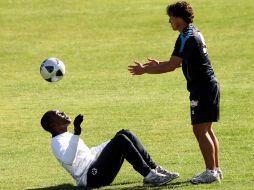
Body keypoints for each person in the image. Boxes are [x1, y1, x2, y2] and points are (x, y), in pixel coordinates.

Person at [128, 1, 222, 184]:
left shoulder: (186, 37)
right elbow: (179, 62)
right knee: (207, 129)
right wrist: (158, 64)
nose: (169, 21)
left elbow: (171, 66)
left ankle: (211, 171)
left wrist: (145, 70)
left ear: (179, 18)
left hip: (202, 88)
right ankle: (215, 170)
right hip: (208, 86)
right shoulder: (194, 32)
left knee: (200, 130)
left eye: (170, 17)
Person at [40, 110, 179, 188]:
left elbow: (89, 154)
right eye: (59, 114)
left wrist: (110, 143)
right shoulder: (57, 142)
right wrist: (76, 133)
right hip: (91, 178)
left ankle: (155, 169)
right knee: (120, 140)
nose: (64, 113)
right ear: (53, 125)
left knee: (125, 133)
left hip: (95, 168)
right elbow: (68, 160)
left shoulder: (66, 135)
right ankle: (150, 176)